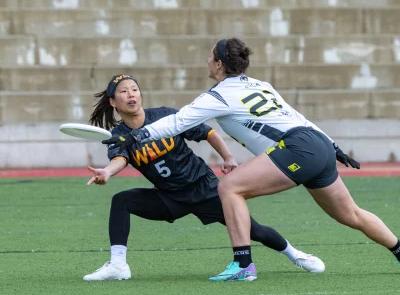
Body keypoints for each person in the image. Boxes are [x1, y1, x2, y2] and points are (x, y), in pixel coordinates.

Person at [103, 38, 400, 282]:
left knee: (230, 188)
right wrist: (334, 147)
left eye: (210, 57)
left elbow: (178, 122)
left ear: (219, 63)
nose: (207, 61)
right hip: (317, 144)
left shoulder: (217, 96)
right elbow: (297, 117)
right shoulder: (260, 84)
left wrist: (136, 137)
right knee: (351, 214)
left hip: (297, 148)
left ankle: (243, 265)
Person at [82, 74, 325, 281]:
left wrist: (228, 157)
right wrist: (107, 172)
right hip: (170, 197)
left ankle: (295, 255)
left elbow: (208, 133)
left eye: (134, 89)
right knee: (122, 200)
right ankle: (118, 265)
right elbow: (120, 159)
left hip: (203, 188)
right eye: (123, 92)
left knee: (255, 230)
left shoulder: (165, 116)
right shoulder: (120, 134)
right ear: (113, 101)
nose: (131, 94)